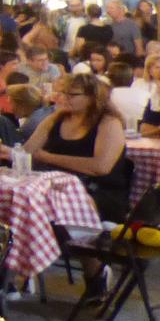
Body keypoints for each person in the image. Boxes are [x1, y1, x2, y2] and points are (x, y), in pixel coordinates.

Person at [25, 74, 131, 221]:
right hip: (56, 187)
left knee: (49, 207)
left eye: (73, 94)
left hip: (97, 191)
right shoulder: (55, 119)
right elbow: (28, 151)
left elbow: (100, 167)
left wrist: (47, 157)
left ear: (92, 97)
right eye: (63, 93)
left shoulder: (108, 123)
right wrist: (9, 152)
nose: (65, 98)